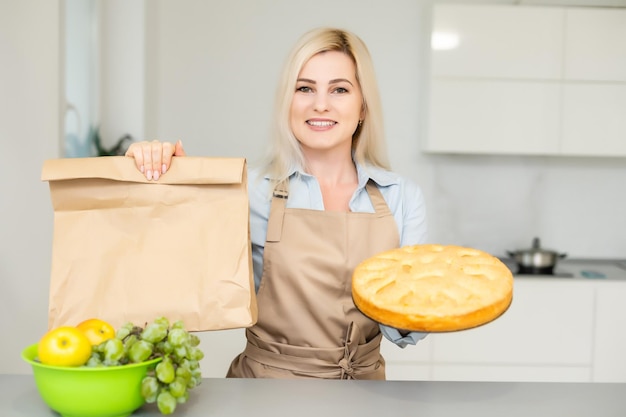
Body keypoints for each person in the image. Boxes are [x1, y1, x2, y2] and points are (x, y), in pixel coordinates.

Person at [126, 27, 428, 379]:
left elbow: (408, 329)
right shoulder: (248, 189)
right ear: (288, 101)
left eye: (340, 89)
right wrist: (159, 178)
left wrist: (431, 304)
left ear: (363, 106)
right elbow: (185, 274)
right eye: (304, 88)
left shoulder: (401, 197)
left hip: (365, 393)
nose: (320, 104)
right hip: (264, 391)